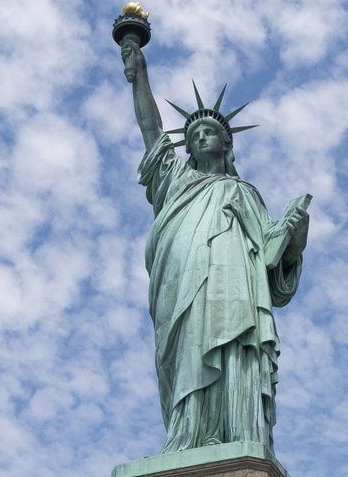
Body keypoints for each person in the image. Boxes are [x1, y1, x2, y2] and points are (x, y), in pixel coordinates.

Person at [119, 36, 310, 455]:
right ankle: (188, 435)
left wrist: (293, 238)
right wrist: (139, 75)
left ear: (227, 143)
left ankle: (238, 433)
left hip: (234, 286)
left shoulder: (245, 193)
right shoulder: (175, 181)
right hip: (181, 283)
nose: (201, 138)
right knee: (189, 349)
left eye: (210, 132)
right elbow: (151, 131)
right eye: (194, 135)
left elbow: (273, 261)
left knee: (235, 345)